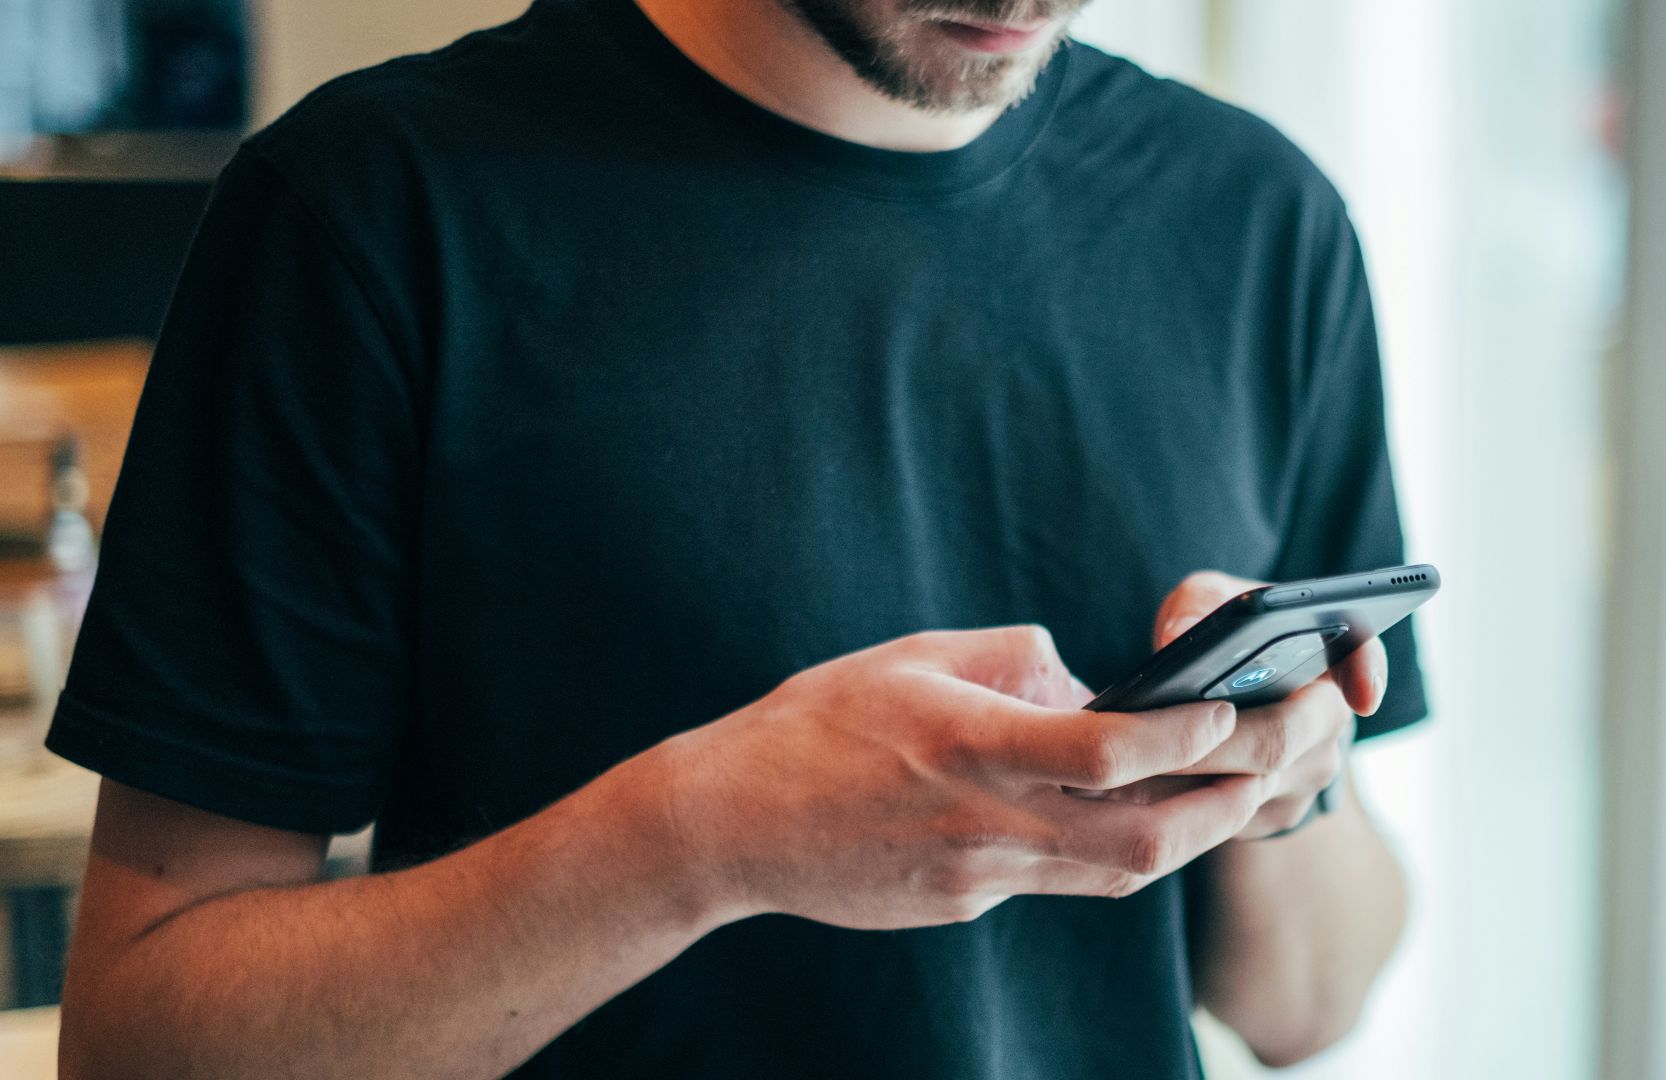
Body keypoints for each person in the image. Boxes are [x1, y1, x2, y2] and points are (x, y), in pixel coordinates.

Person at [47, 0, 1428, 1077]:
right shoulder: (367, 213)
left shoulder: (1261, 222)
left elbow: (1308, 1005)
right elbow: (148, 1045)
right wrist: (703, 841)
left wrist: (1279, 784)